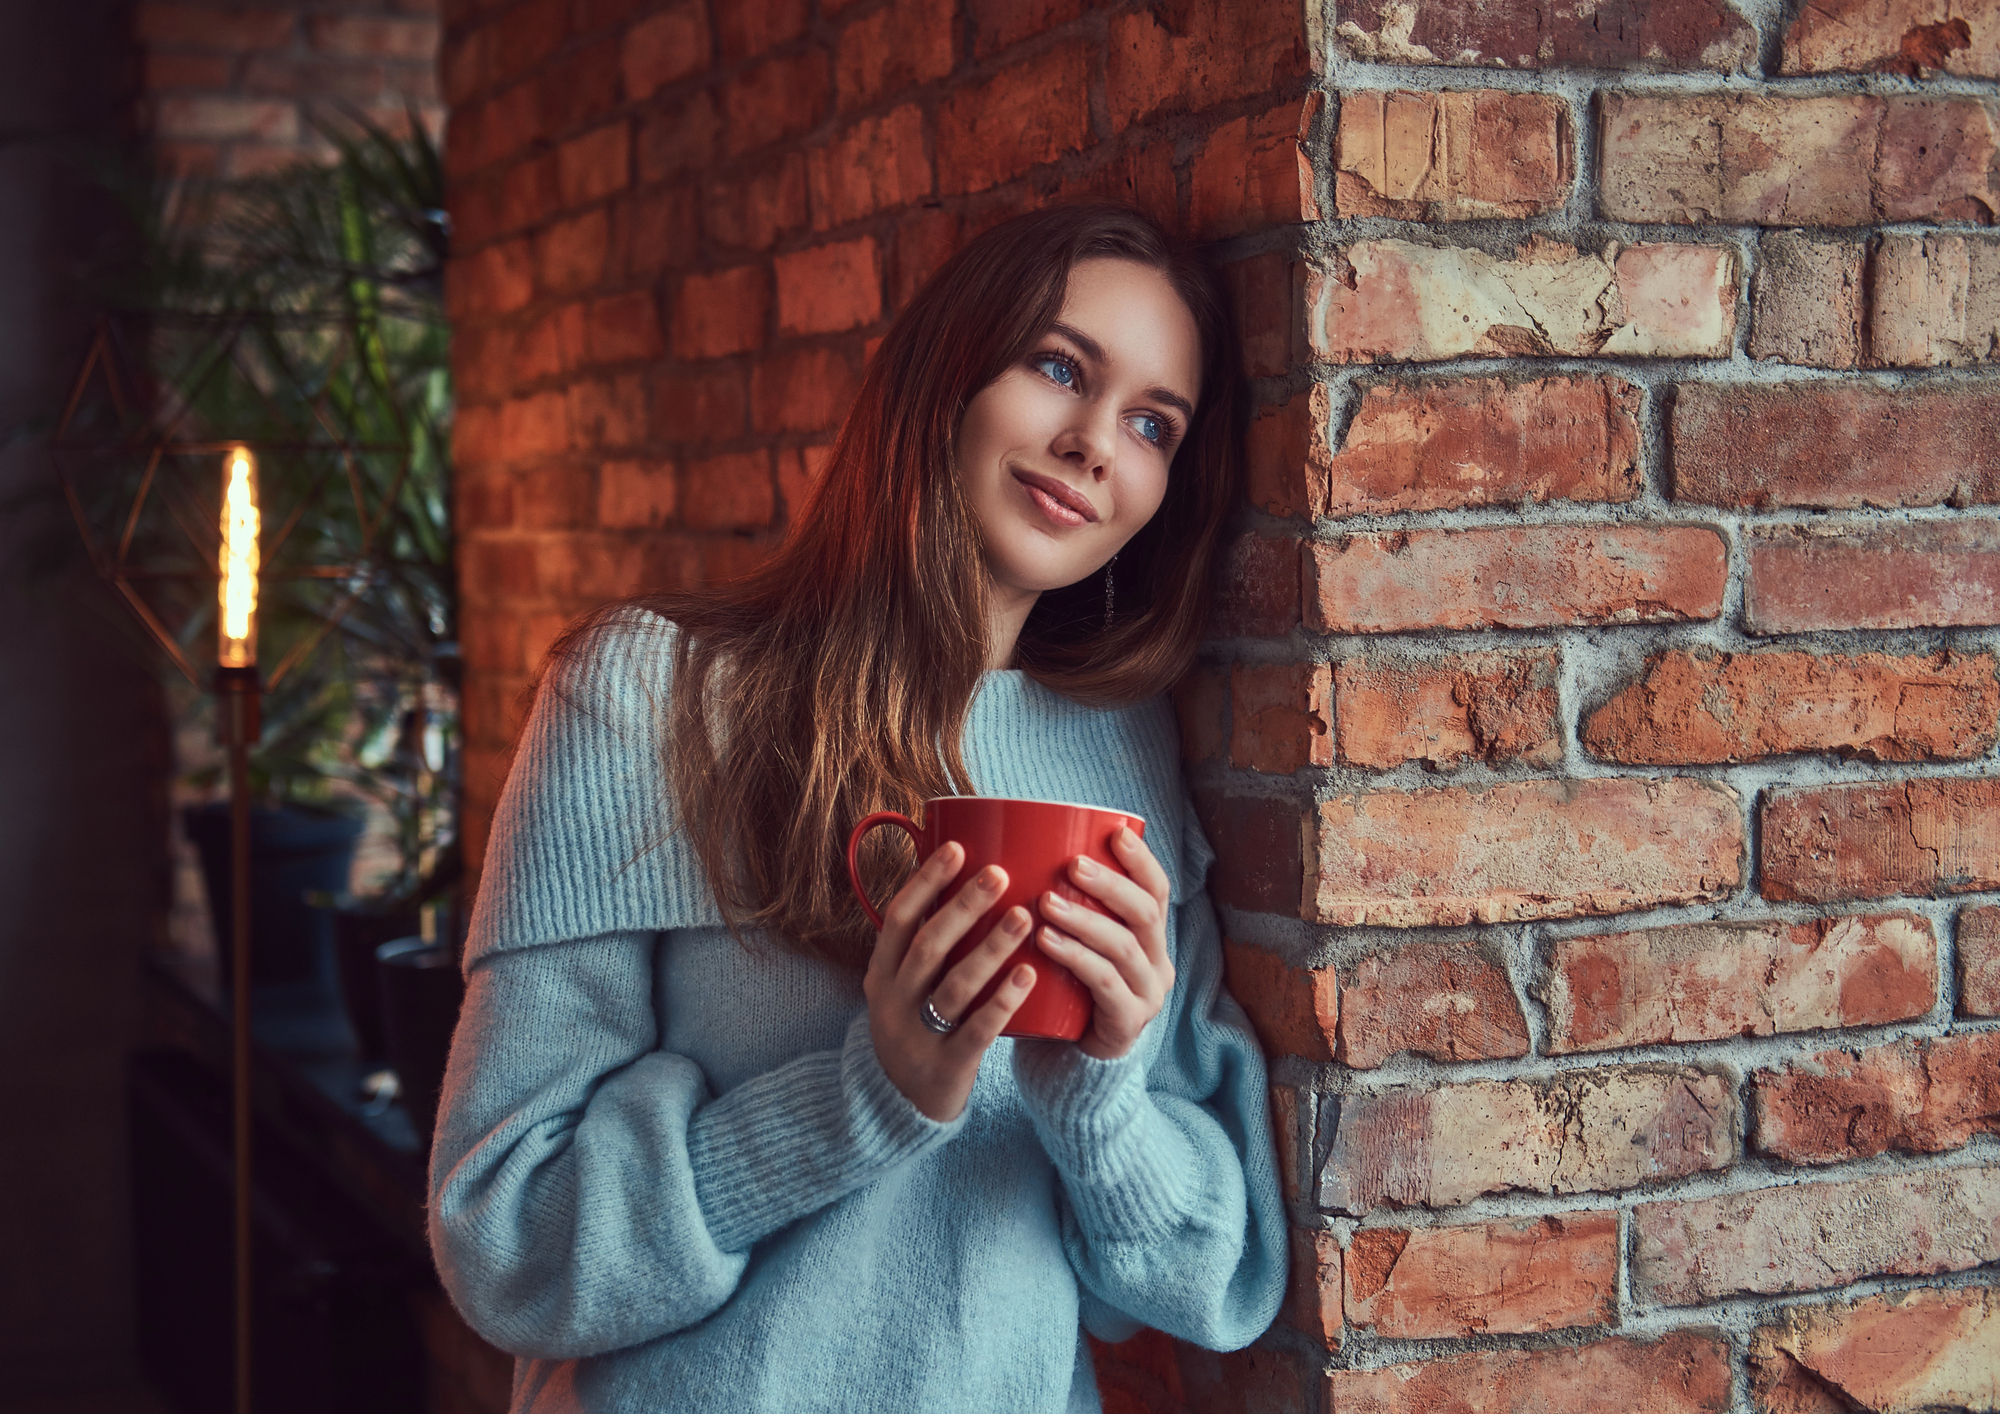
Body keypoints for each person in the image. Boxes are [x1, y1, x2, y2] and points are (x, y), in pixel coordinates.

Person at [427, 203, 1288, 1412]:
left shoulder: (1122, 749)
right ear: (947, 372)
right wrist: (863, 1097)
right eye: (1057, 367)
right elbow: (505, 1242)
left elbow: (1212, 1279)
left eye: (1152, 424)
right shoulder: (648, 695)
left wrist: (1099, 1101)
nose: (1097, 442)